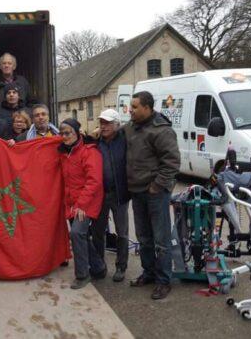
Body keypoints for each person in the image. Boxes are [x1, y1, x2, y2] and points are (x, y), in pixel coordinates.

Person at [124, 91, 180, 300]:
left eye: (135, 107)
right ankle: (148, 273)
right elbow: (116, 133)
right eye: (131, 106)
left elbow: (172, 162)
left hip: (155, 193)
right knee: (144, 237)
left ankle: (164, 281)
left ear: (147, 108)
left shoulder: (161, 130)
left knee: (160, 239)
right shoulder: (130, 127)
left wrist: (157, 187)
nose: (131, 110)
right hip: (137, 192)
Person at [57, 118, 104, 289]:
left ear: (77, 132)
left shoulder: (89, 152)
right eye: (61, 133)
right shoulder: (64, 152)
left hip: (86, 202)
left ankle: (82, 275)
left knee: (76, 233)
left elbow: (94, 181)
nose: (64, 136)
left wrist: (81, 205)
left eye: (68, 132)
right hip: (72, 202)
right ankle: (99, 268)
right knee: (81, 236)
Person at [93, 109, 130, 282]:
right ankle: (99, 265)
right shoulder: (94, 141)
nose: (104, 126)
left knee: (122, 232)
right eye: (101, 123)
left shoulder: (124, 139)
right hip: (100, 194)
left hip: (119, 193)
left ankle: (121, 266)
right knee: (98, 231)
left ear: (117, 124)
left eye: (108, 123)